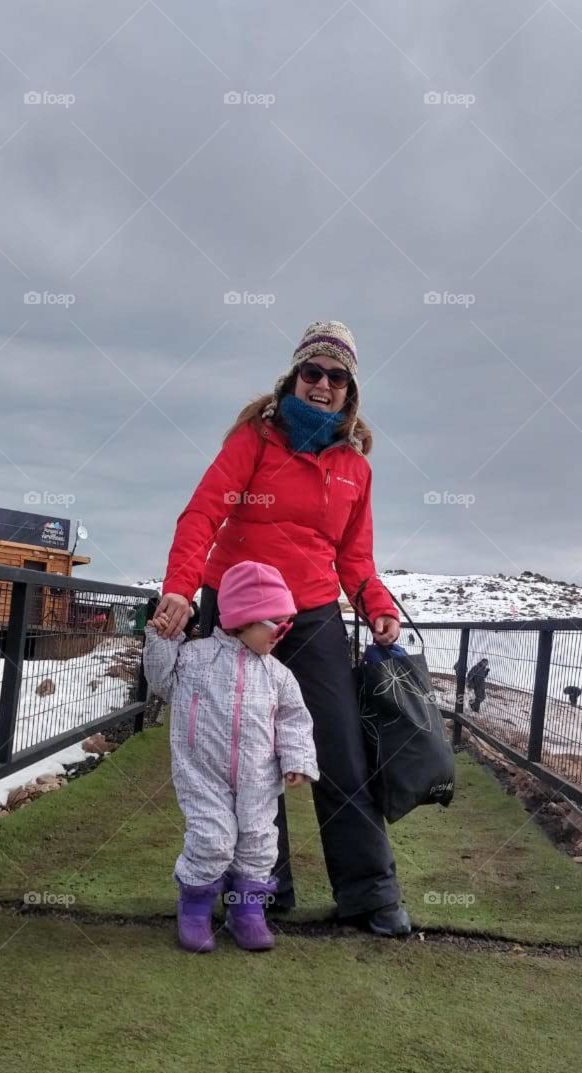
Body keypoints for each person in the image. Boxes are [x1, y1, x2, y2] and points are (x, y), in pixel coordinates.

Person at [152, 320, 411, 937]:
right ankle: (260, 893)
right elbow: (204, 512)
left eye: (337, 377)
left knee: (338, 749)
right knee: (237, 754)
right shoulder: (255, 440)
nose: (322, 385)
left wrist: (376, 603)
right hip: (235, 612)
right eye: (312, 372)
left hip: (313, 611)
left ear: (351, 390)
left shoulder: (355, 470)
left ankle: (370, 893)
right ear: (295, 377)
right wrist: (180, 589)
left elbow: (355, 555)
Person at [143, 561, 319, 953]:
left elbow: (294, 720)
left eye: (286, 624)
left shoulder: (278, 675)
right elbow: (160, 680)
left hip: (258, 777)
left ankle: (247, 912)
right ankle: (194, 907)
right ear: (244, 619)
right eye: (277, 624)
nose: (282, 634)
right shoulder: (194, 659)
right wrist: (163, 639)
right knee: (212, 838)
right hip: (202, 773)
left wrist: (296, 760)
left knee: (258, 842)